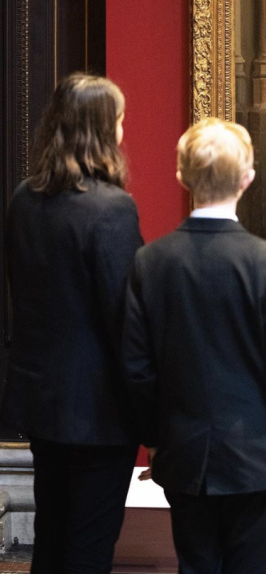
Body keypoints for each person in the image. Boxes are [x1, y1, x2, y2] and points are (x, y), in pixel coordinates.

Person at [122, 117, 266, 574]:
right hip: (260, 454)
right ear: (247, 179)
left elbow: (136, 370)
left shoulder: (151, 262)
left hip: (184, 453)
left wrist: (157, 437)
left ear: (182, 177)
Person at [1, 73, 142, 574]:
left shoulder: (23, 198)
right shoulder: (112, 210)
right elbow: (127, 322)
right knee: (87, 548)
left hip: (42, 403)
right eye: (120, 120)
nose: (124, 130)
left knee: (52, 540)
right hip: (99, 414)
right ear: (101, 131)